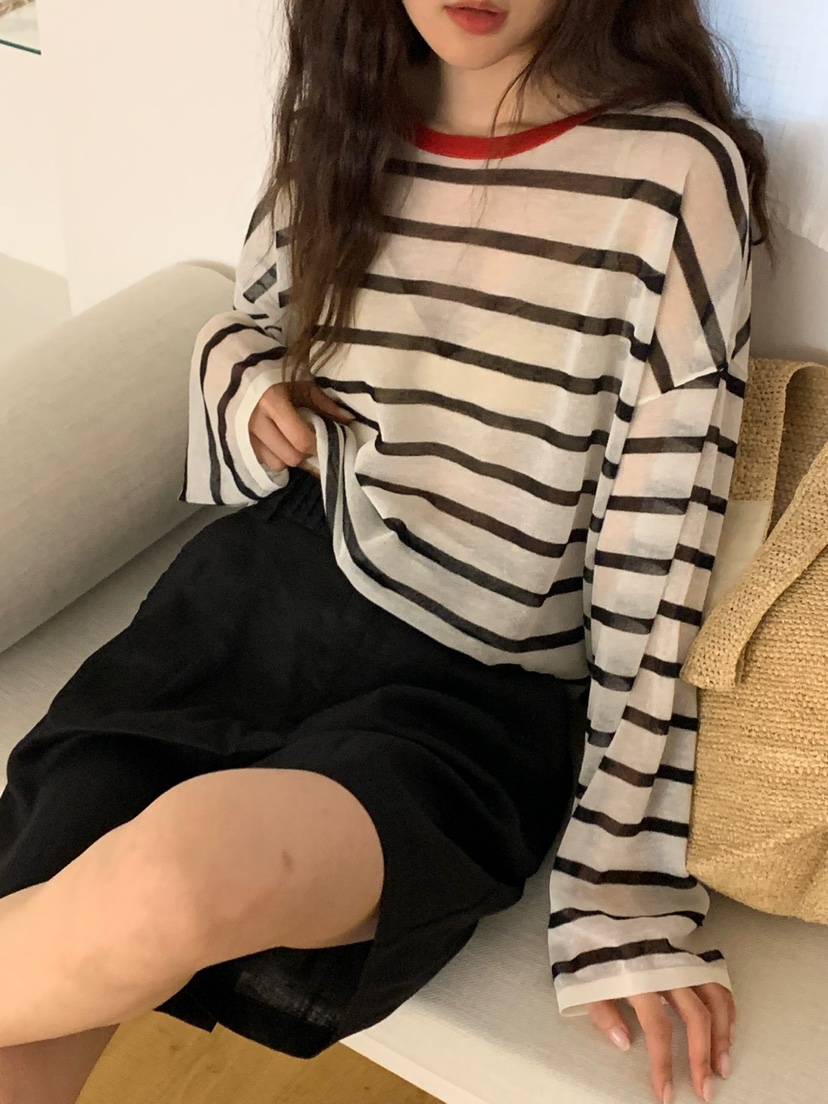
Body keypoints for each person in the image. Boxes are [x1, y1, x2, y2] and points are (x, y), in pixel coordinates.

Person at [0, 1, 769, 1102]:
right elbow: (252, 323)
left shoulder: (672, 177)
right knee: (51, 919)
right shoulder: (342, 118)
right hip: (258, 607)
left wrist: (619, 883)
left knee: (170, 882)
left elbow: (660, 553)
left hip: (473, 696)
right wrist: (249, 385)